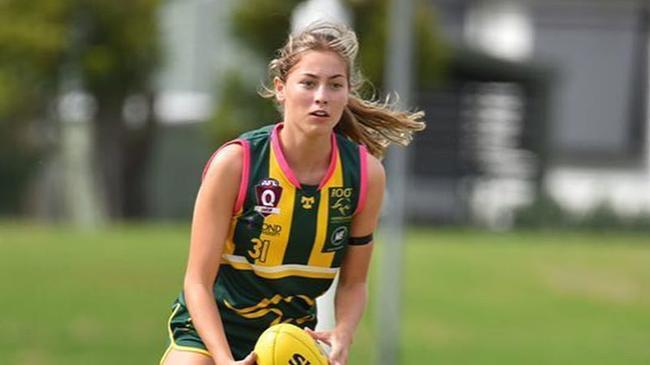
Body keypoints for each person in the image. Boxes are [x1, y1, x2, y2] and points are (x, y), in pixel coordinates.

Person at [160, 22, 425, 365]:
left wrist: (343, 332)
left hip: (290, 340)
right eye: (308, 83)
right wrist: (225, 361)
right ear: (281, 88)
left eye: (335, 85)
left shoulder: (365, 175)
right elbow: (197, 281)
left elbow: (354, 282)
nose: (321, 97)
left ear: (347, 93)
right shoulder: (237, 164)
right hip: (210, 330)